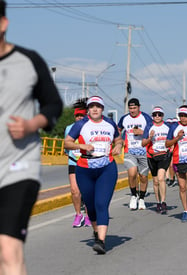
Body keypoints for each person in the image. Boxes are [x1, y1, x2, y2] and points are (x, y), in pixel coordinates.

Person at [0, 1, 63, 271]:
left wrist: (30, 124)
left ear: (3, 24)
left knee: (8, 247)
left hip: (18, 167)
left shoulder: (28, 60)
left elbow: (53, 105)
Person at [64, 96, 123, 254]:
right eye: (92, 106)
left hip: (106, 168)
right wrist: (82, 145)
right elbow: (67, 143)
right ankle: (96, 233)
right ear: (88, 109)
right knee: (90, 206)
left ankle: (101, 241)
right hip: (85, 169)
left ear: (102, 109)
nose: (95, 109)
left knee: (101, 204)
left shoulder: (109, 123)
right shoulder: (81, 125)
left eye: (98, 106)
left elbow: (119, 139)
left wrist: (118, 146)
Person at [118, 98, 153, 210]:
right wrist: (120, 141)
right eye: (130, 108)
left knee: (143, 177)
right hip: (130, 151)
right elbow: (118, 130)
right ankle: (133, 195)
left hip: (143, 151)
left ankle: (142, 198)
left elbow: (153, 131)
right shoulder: (125, 118)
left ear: (139, 107)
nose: (132, 110)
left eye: (134, 108)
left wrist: (142, 132)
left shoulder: (146, 118)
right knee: (132, 174)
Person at [64, 100, 91, 227]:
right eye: (77, 116)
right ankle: (78, 215)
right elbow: (66, 148)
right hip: (73, 162)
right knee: (75, 191)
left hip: (87, 162)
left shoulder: (89, 128)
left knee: (86, 191)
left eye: (82, 115)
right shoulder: (69, 129)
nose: (79, 118)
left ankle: (88, 216)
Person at [142, 106, 172, 214]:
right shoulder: (149, 127)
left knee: (161, 178)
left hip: (164, 155)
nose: (157, 116)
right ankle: (158, 202)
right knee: (155, 181)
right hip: (152, 156)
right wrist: (150, 138)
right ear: (152, 116)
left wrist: (171, 146)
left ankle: (163, 202)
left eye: (159, 114)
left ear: (163, 115)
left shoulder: (168, 127)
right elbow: (143, 143)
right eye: (155, 114)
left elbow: (172, 139)